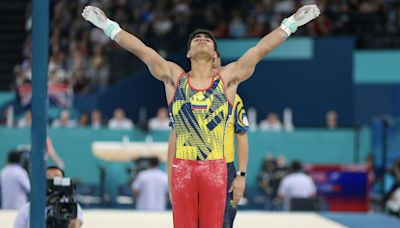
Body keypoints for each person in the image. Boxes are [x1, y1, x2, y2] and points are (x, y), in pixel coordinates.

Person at [82, 4, 320, 227]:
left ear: (215, 53)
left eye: (208, 39)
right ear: (188, 53)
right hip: (183, 168)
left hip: (215, 170)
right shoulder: (174, 78)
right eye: (197, 39)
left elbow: (260, 50)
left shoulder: (227, 80)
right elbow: (141, 50)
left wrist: (291, 23)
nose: (203, 40)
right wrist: (107, 25)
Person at [167, 52, 249, 228]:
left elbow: (242, 137)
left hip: (224, 169)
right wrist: (170, 179)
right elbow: (174, 139)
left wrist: (241, 175)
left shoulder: (234, 100)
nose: (211, 72)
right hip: (189, 167)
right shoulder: (186, 97)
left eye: (216, 68)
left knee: (225, 222)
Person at [14, 166, 83, 228]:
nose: (52, 179)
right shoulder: (28, 209)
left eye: (56, 177)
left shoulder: (71, 207)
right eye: (48, 177)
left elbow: (75, 224)